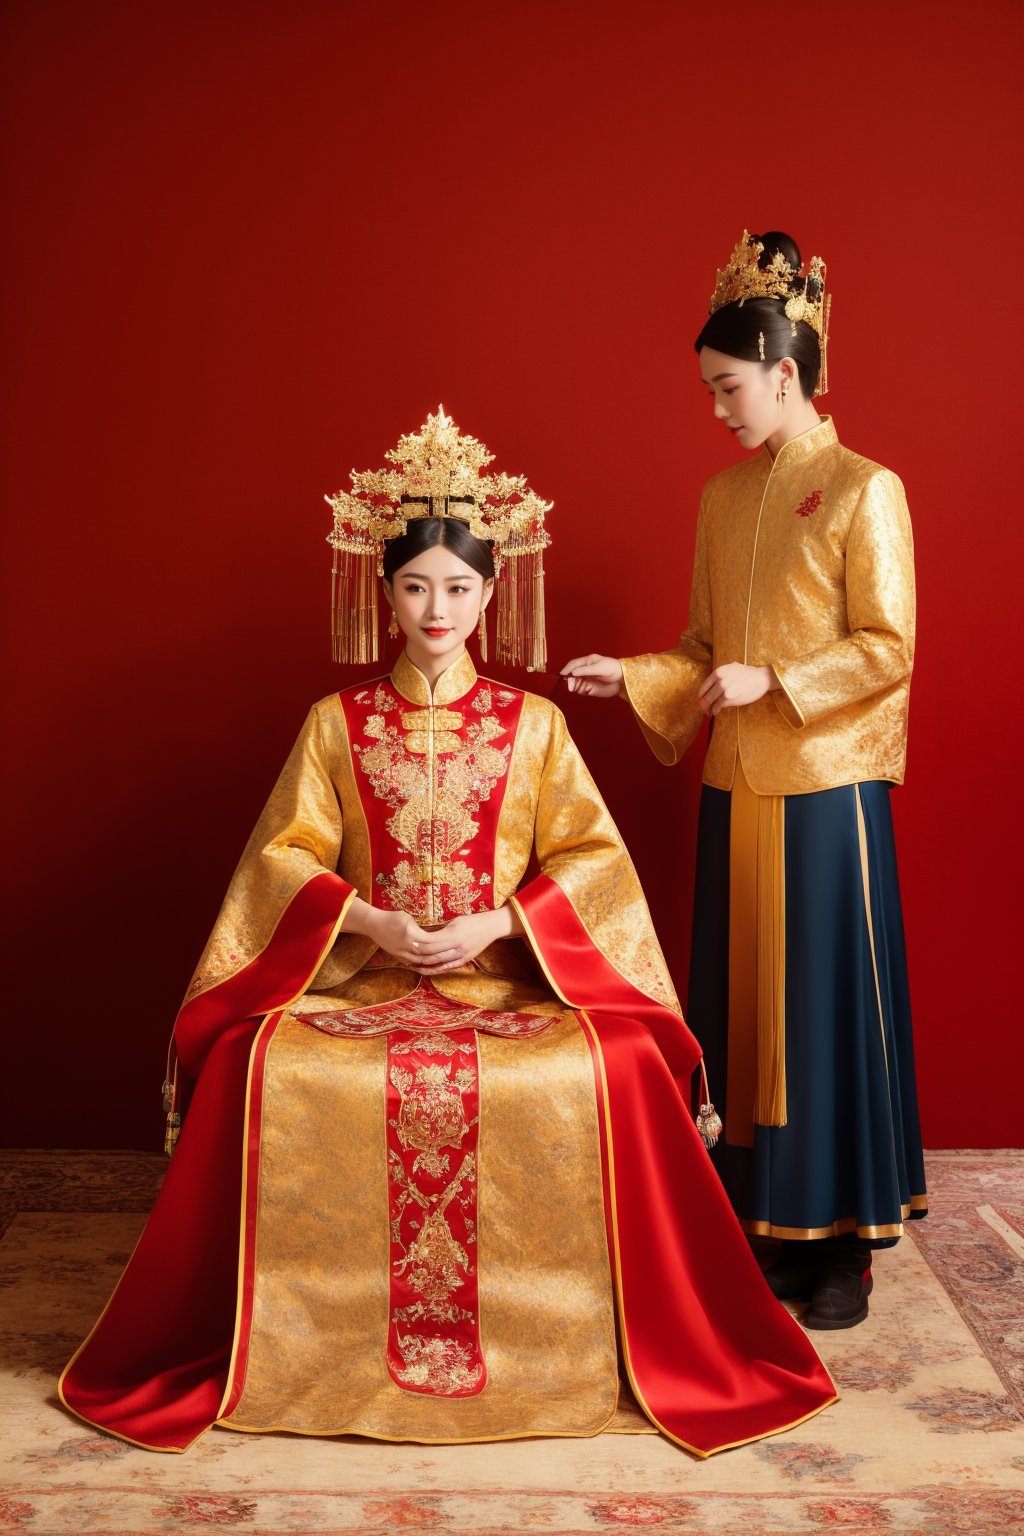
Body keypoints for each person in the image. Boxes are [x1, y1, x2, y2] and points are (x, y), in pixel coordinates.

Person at [59, 408, 835, 1456]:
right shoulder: (336, 724)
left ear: (489, 594)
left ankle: (585, 1340)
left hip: (507, 981)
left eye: (459, 587)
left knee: (614, 1066)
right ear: (383, 593)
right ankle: (286, 1341)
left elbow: (589, 860)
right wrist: (366, 915)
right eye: (416, 585)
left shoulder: (535, 725)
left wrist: (495, 925)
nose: (437, 608)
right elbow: (284, 855)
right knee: (258, 1059)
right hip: (363, 981)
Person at [563, 234, 927, 1330]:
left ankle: (842, 1249)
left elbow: (888, 646)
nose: (718, 408)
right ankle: (760, 1224)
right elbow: (700, 648)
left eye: (729, 386)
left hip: (826, 788)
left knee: (823, 1010)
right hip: (735, 785)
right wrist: (629, 673)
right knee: (739, 1010)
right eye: (710, 390)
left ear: (785, 370)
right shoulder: (723, 499)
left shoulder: (866, 491)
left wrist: (773, 677)